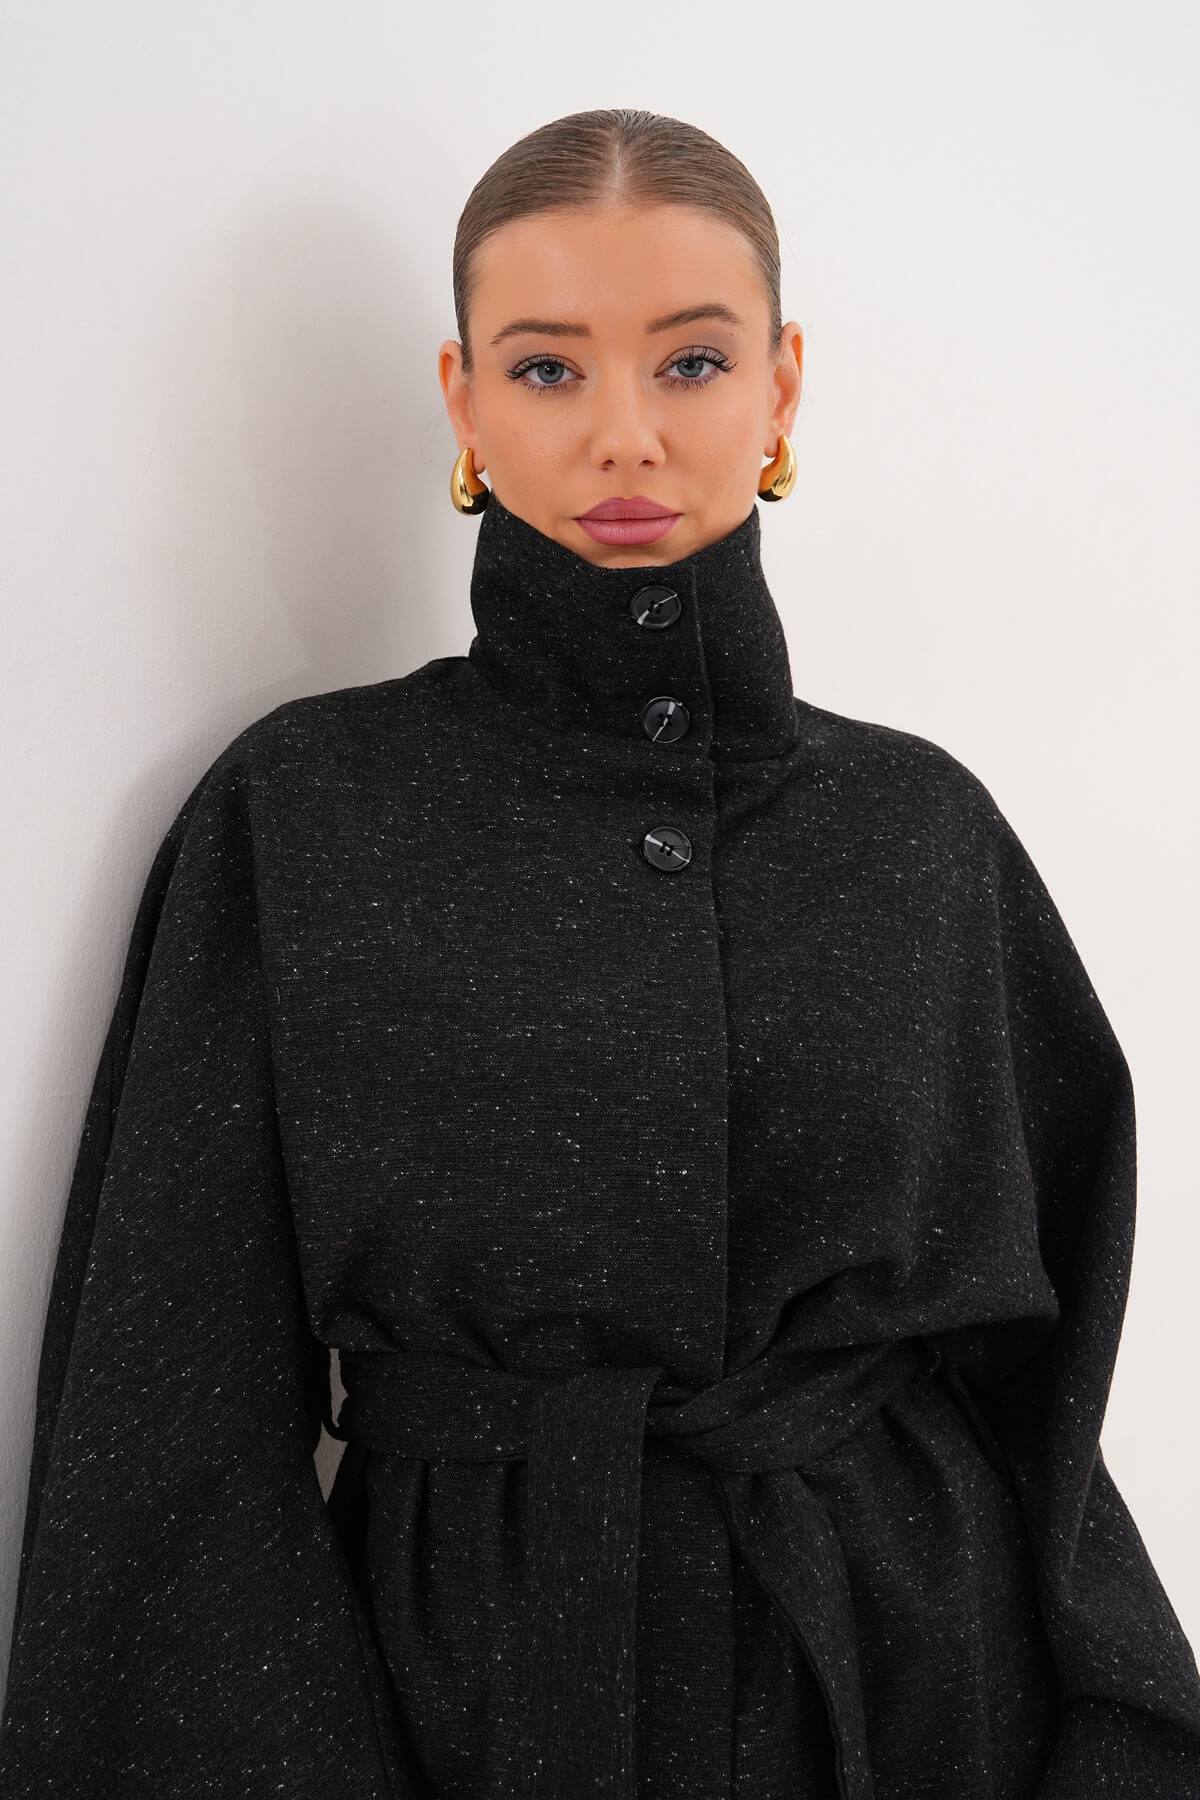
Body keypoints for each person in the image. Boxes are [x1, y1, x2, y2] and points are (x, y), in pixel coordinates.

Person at [1, 105, 1199, 1800]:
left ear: (782, 390)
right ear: (463, 401)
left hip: (922, 1690)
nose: (624, 434)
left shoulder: (922, 829)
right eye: (549, 369)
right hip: (478, 1699)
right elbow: (170, 1420)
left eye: (692, 363)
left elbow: (1049, 1392)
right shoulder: (300, 812)